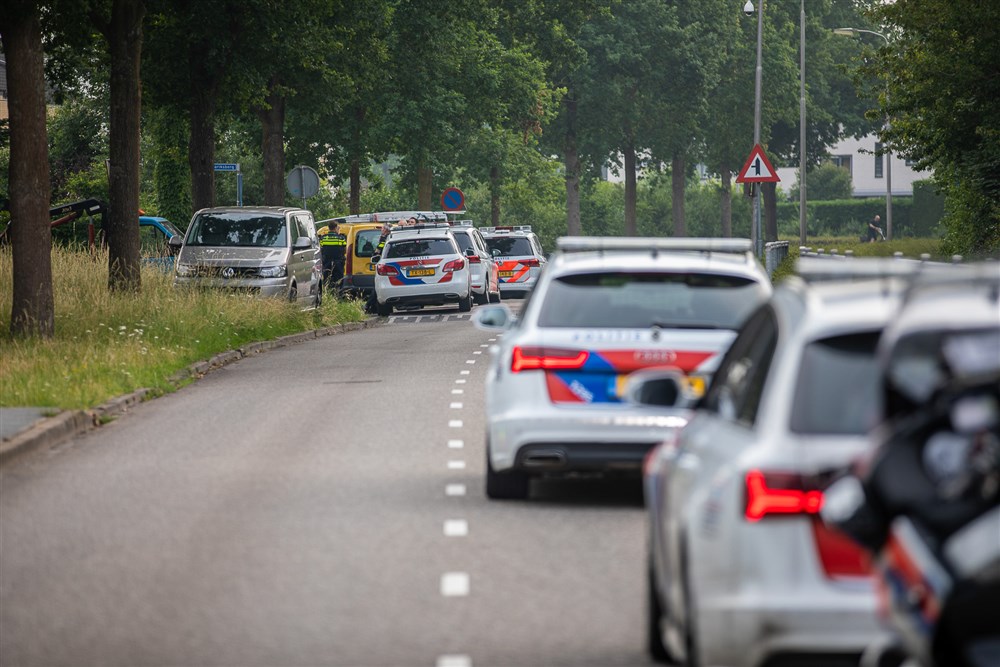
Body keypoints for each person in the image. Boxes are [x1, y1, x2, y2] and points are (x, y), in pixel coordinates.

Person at [319, 220, 347, 295]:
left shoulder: (323, 238)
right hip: (338, 262)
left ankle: (327, 293)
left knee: (326, 278)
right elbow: (344, 250)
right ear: (335, 228)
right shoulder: (341, 238)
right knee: (339, 279)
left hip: (326, 262)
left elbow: (321, 250)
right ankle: (339, 294)